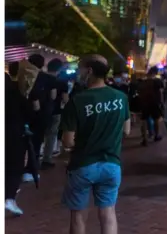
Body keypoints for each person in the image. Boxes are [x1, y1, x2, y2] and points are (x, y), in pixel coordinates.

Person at [60, 55, 131, 234]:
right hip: (111, 164)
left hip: (83, 165)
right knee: (108, 213)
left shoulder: (77, 100)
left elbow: (68, 141)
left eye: (81, 68)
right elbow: (127, 130)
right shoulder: (121, 97)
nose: (78, 72)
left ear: (89, 71)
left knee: (78, 216)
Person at [20, 54, 57, 182]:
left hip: (22, 114)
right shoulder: (48, 78)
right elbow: (53, 96)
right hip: (41, 115)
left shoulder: (20, 76)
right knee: (36, 143)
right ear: (42, 65)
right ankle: (31, 169)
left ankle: (18, 169)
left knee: (20, 143)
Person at [5, 73, 28, 215]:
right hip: (14, 136)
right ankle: (9, 198)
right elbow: (30, 113)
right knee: (14, 168)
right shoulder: (16, 95)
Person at [41, 58, 69, 169]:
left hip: (40, 111)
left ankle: (34, 157)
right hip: (55, 111)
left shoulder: (40, 79)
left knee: (38, 135)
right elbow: (65, 99)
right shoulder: (61, 83)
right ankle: (46, 158)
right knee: (51, 135)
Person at [138, 67, 165, 145]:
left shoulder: (142, 82)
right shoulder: (158, 81)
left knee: (144, 121)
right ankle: (156, 135)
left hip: (144, 103)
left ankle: (145, 139)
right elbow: (161, 92)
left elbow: (139, 93)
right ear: (155, 73)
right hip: (155, 103)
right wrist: (162, 103)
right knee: (156, 119)